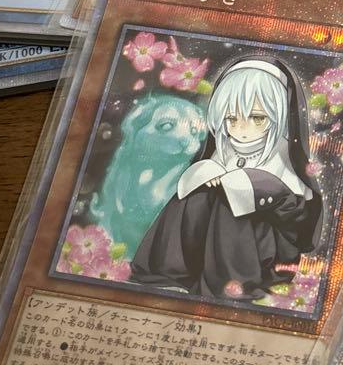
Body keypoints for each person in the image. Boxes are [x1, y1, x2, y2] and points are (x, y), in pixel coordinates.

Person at [131, 58, 322, 300]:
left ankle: (228, 285)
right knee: (194, 198)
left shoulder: (283, 154)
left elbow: (297, 220)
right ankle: (169, 271)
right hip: (213, 241)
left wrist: (256, 188)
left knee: (228, 205)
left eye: (257, 118)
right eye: (232, 119)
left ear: (279, 117)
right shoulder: (225, 147)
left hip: (264, 253)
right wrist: (210, 176)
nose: (242, 129)